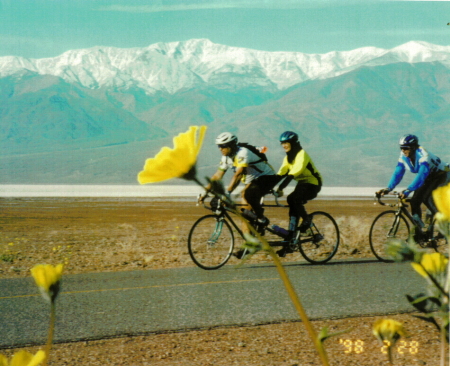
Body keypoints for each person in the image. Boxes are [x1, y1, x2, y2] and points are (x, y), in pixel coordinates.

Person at [199, 132, 280, 254]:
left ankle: (261, 218)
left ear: (231, 145)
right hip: (251, 182)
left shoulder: (243, 152)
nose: (220, 149)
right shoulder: (226, 158)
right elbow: (217, 176)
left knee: (245, 194)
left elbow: (238, 174)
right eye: (218, 146)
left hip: (267, 178)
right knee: (245, 214)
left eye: (223, 146)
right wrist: (205, 193)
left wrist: (227, 193)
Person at [377, 134, 450, 228]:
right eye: (401, 148)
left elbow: (421, 176)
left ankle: (444, 223)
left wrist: (408, 190)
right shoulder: (403, 156)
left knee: (427, 198)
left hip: (442, 175)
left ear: (414, 147)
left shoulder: (423, 155)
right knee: (414, 201)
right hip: (428, 176)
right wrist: (388, 188)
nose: (403, 150)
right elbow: (398, 173)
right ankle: (419, 231)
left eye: (406, 148)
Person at [274, 131, 323, 257]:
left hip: (313, 184)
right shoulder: (287, 158)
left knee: (292, 198)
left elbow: (293, 173)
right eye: (282, 143)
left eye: (287, 143)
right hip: (302, 184)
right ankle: (290, 241)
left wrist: (281, 187)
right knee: (292, 204)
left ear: (293, 143)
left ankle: (307, 220)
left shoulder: (302, 155)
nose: (284, 145)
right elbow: (281, 173)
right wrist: (267, 187)